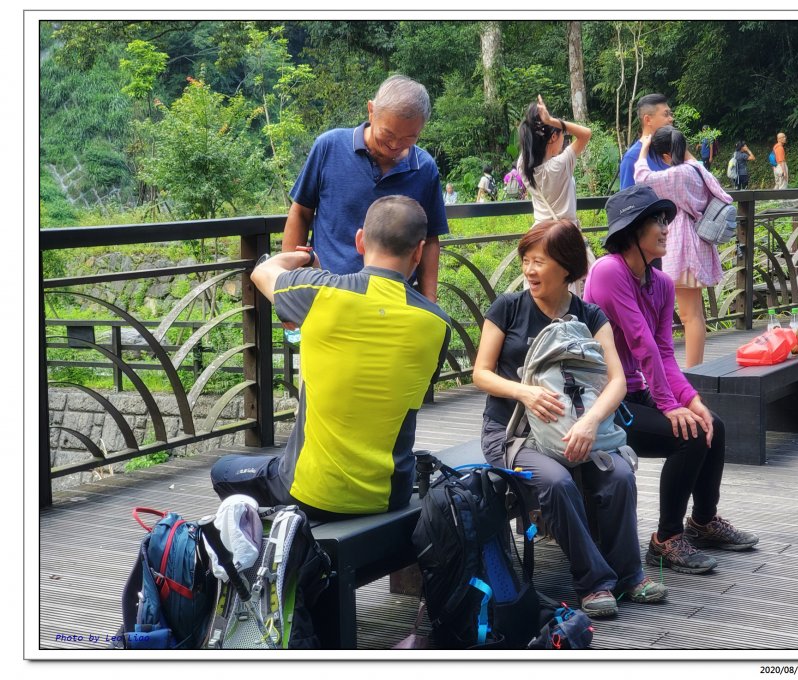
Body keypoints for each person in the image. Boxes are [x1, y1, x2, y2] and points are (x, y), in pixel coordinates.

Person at [210, 196, 452, 520]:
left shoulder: (318, 293)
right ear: (419, 251)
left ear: (360, 241)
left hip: (311, 491)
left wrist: (301, 258)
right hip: (389, 495)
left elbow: (263, 272)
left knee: (223, 470)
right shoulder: (437, 323)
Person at [472, 219, 667, 619]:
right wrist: (524, 392)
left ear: (566, 267)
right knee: (557, 481)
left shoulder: (589, 315)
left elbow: (616, 381)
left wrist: (592, 420)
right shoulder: (508, 308)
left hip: (579, 427)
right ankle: (594, 582)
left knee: (618, 474)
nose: (528, 270)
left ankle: (630, 575)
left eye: (538, 261)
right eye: (525, 260)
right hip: (514, 435)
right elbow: (481, 372)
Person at [584, 184, 758, 576]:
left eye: (665, 220)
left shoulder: (661, 284)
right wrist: (669, 405)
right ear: (631, 232)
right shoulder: (608, 271)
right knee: (689, 436)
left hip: (635, 390)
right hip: (603, 399)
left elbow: (663, 351)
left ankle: (702, 522)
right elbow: (640, 342)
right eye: (655, 221)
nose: (665, 228)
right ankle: (664, 540)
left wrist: (690, 400)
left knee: (712, 424)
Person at [283, 75, 447, 302]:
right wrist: (291, 287)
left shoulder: (424, 168)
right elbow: (300, 213)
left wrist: (430, 300)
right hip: (326, 296)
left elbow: (429, 240)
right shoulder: (329, 147)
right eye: (387, 134)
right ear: (371, 111)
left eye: (409, 138)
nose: (394, 145)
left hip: (392, 303)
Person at [634, 126, 733, 367]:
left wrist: (644, 149)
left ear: (666, 156)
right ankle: (696, 369)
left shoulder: (678, 174)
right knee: (695, 313)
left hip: (684, 244)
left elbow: (642, 178)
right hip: (698, 243)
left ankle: (693, 372)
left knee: (689, 315)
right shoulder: (699, 168)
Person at [517, 95, 592, 226]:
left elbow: (530, 141)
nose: (564, 140)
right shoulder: (559, 165)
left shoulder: (523, 164)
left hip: (540, 229)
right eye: (563, 134)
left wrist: (539, 122)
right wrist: (551, 120)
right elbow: (586, 133)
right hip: (563, 234)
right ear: (553, 137)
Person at [618, 93, 674, 189]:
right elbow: (628, 201)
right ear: (648, 120)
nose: (671, 119)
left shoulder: (673, 149)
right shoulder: (633, 158)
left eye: (671, 114)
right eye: (666, 114)